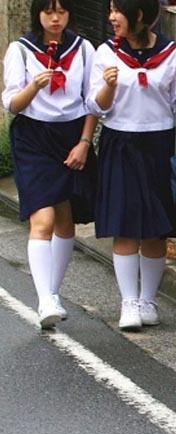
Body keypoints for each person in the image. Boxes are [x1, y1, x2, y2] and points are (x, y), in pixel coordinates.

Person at [88, 0, 176, 330]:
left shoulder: (172, 53)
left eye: (116, 10)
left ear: (138, 15)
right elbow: (96, 106)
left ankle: (149, 300)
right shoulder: (106, 53)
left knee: (155, 229)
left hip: (158, 145)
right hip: (120, 143)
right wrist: (109, 86)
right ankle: (129, 303)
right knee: (124, 225)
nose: (111, 17)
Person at [2, 0, 98, 329]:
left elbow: (92, 102)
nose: (55, 18)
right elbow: (12, 103)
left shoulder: (83, 49)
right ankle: (45, 299)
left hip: (70, 136)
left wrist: (84, 143)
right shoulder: (22, 49)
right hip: (33, 138)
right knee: (41, 218)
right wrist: (34, 86)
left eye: (61, 11)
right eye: (48, 11)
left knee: (65, 219)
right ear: (37, 14)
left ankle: (52, 293)